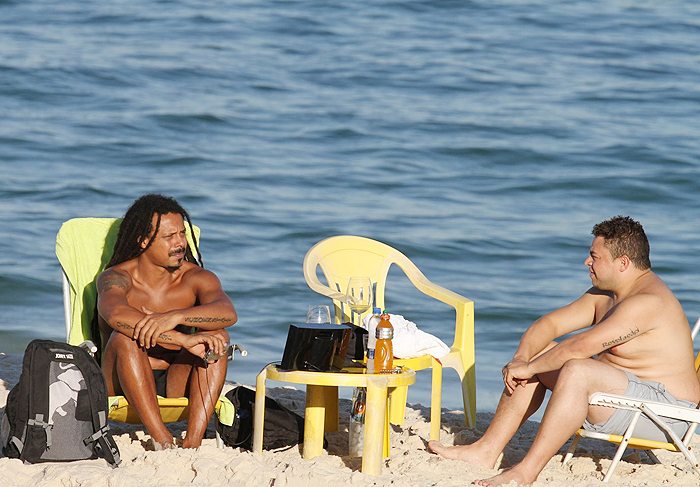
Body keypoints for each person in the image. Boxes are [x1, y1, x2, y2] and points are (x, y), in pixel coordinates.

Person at [429, 216, 700, 486]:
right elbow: (548, 324)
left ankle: (526, 472)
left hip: (668, 415)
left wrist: (530, 369)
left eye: (595, 256)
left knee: (576, 368)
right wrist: (523, 360)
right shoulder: (606, 295)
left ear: (623, 263)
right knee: (541, 355)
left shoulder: (646, 302)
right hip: (622, 397)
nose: (587, 262)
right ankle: (485, 451)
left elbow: (582, 346)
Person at [96, 194, 237, 449]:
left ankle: (192, 441)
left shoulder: (196, 277)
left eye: (182, 234)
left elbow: (227, 312)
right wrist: (182, 338)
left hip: (176, 378)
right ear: (143, 241)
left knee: (219, 337)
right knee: (124, 337)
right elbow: (116, 316)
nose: (180, 243)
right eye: (169, 237)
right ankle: (162, 438)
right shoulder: (116, 277)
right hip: (120, 382)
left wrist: (176, 316)